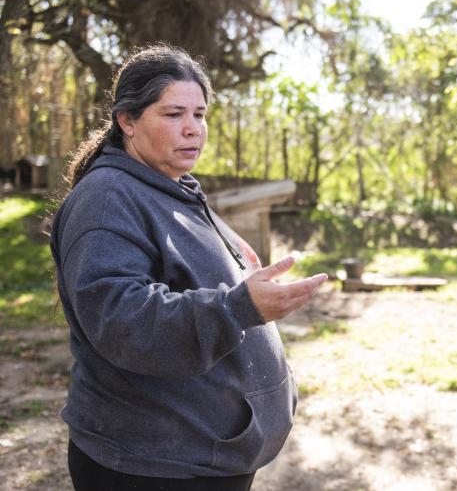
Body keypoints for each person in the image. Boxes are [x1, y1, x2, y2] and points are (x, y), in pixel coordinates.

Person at [50, 44, 327, 490]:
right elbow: (121, 319)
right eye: (174, 114)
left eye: (199, 115)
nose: (192, 129)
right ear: (128, 121)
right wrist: (238, 307)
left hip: (199, 456)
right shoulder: (107, 199)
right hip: (152, 467)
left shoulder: (170, 186)